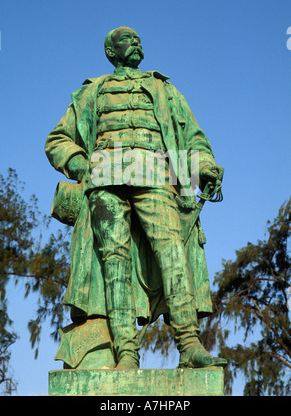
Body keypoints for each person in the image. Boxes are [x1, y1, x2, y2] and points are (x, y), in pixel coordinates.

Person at [45, 26, 227, 370]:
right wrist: (83, 167)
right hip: (104, 180)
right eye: (127, 40)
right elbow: (58, 140)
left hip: (157, 174)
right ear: (111, 52)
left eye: (139, 39)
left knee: (173, 251)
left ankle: (189, 344)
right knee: (115, 264)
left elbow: (192, 136)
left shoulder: (164, 89)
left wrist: (204, 166)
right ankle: (126, 354)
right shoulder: (92, 91)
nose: (136, 43)